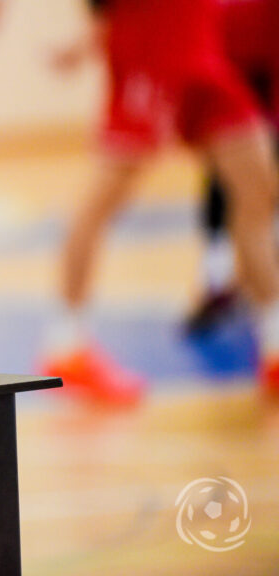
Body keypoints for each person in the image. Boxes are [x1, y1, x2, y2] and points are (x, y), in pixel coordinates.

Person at [45, 0, 279, 404]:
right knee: (105, 195)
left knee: (257, 183)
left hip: (200, 43)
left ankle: (275, 343)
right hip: (151, 44)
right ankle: (67, 344)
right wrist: (94, 33)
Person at [185, 0, 279, 335]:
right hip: (225, 80)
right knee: (238, 190)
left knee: (250, 198)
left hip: (245, 83)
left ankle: (227, 278)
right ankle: (219, 275)